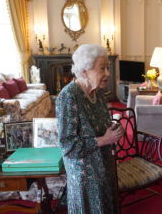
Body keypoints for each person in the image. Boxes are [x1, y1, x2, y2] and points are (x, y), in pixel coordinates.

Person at [56, 44, 124, 214]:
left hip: (104, 168)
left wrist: (113, 129)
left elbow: (101, 125)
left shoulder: (98, 93)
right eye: (102, 68)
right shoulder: (68, 96)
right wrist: (104, 140)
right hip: (85, 179)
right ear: (84, 71)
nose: (108, 74)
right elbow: (68, 146)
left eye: (107, 67)